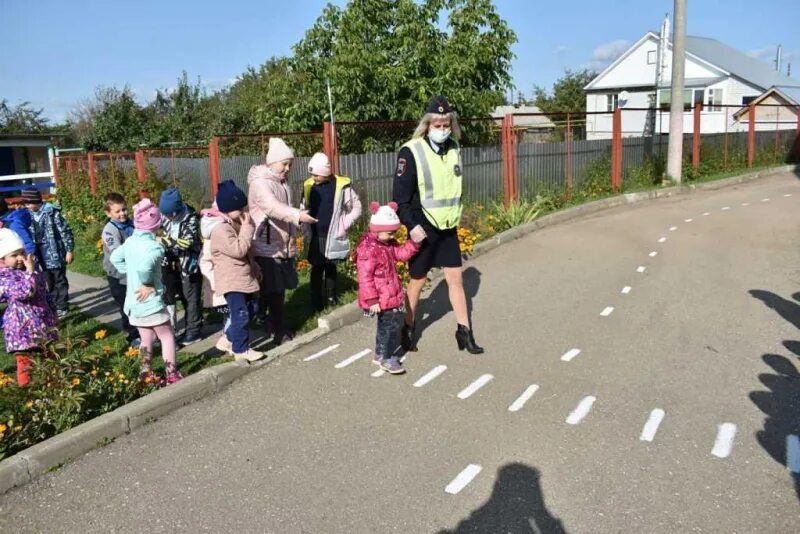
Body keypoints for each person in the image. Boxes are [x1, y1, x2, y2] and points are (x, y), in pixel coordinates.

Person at [392, 96, 484, 354]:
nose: (442, 129)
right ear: (427, 124)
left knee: (455, 278)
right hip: (422, 226)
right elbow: (400, 197)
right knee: (418, 280)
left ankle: (464, 332)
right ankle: (408, 328)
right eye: (437, 124)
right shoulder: (411, 151)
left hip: (447, 226)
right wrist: (411, 226)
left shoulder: (454, 147)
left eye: (446, 124)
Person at [247, 137, 317, 345]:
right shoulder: (260, 184)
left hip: (281, 243)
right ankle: (278, 330)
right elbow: (272, 208)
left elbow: (286, 209)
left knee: (275, 290)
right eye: (284, 164)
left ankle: (267, 321)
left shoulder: (283, 183)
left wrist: (297, 222)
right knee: (275, 291)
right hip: (266, 245)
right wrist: (298, 216)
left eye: (290, 164)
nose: (288, 168)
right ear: (271, 162)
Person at [110, 198, 182, 385]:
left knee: (146, 339)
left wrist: (129, 271)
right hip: (151, 302)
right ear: (157, 226)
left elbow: (115, 258)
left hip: (134, 303)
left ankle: (145, 373)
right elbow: (144, 268)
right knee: (166, 336)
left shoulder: (131, 241)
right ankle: (171, 374)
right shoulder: (155, 247)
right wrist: (147, 282)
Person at [354, 202, 420, 375]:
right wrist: (372, 300)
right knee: (391, 327)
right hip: (381, 297)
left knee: (386, 326)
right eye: (390, 232)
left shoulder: (386, 244)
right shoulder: (368, 250)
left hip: (389, 294)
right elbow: (365, 278)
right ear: (376, 229)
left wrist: (414, 244)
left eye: (394, 232)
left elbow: (400, 254)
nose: (392, 236)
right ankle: (387, 358)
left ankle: (380, 354)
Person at [208, 180, 263, 362]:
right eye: (238, 207)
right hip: (232, 281)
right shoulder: (221, 230)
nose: (242, 211)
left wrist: (255, 267)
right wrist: (247, 227)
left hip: (243, 278)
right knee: (241, 314)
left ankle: (228, 339)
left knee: (252, 308)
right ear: (226, 209)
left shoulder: (234, 224)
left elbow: (247, 251)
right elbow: (238, 250)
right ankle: (240, 349)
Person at [300, 152, 362, 312]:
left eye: (316, 174)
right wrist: (306, 230)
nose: (313, 177)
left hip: (333, 235)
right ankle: (315, 300)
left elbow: (356, 207)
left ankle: (331, 297)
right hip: (316, 235)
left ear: (325, 172)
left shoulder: (342, 186)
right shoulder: (308, 186)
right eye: (312, 174)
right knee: (317, 267)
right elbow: (303, 208)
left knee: (331, 267)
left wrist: (344, 225)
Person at [0, 228, 57, 386]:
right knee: (25, 363)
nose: (20, 258)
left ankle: (53, 385)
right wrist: (30, 272)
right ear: (2, 259)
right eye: (14, 255)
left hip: (42, 323)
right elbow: (25, 292)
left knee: (49, 357)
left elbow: (43, 293)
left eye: (21, 253)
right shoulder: (5, 277)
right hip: (22, 329)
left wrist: (53, 312)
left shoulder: (30, 271)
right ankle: (27, 392)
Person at [158, 187, 203, 345]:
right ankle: (179, 328)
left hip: (189, 264)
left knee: (191, 297)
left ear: (177, 210)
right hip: (171, 263)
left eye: (170, 214)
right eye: (164, 214)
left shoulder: (190, 217)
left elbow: (186, 242)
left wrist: (164, 240)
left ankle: (194, 331)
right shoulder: (163, 214)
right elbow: (155, 229)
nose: (167, 217)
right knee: (175, 295)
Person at [23, 187, 74, 318]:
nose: (27, 206)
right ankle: (54, 304)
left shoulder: (52, 212)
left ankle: (62, 305)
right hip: (39, 253)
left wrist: (69, 250)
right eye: (25, 203)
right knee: (48, 280)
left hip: (54, 252)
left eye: (29, 203)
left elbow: (65, 231)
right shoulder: (28, 215)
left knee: (59, 279)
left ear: (36, 200)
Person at [101, 192, 139, 346]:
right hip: (118, 275)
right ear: (108, 213)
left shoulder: (132, 223)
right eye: (117, 211)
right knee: (126, 306)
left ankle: (144, 331)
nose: (122, 214)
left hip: (134, 271)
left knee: (138, 303)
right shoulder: (109, 230)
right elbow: (117, 252)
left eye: (124, 209)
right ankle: (132, 335)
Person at [199, 202, 233, 355]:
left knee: (232, 314)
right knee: (233, 313)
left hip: (228, 281)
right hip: (220, 286)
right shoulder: (212, 238)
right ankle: (227, 340)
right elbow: (204, 262)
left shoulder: (221, 231)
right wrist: (215, 280)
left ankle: (228, 337)